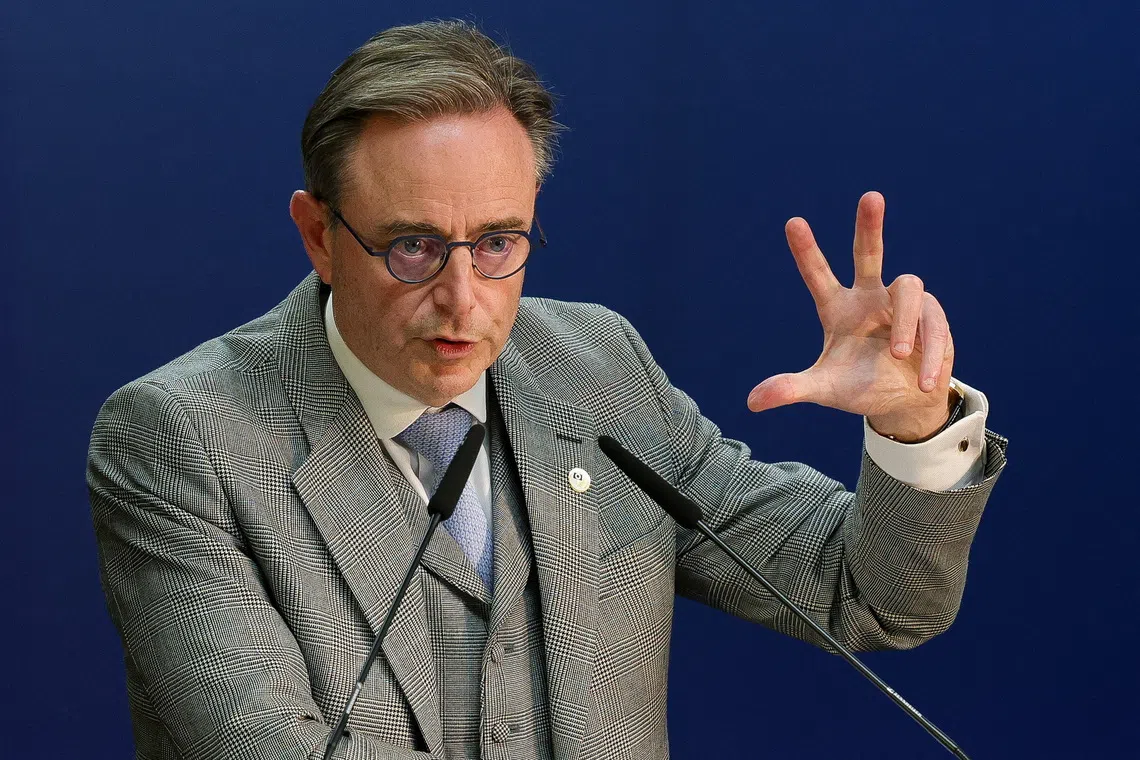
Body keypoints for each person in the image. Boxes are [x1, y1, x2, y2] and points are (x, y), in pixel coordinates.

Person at [87, 19, 1007, 760]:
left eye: (497, 243)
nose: (462, 299)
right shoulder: (182, 439)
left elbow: (873, 596)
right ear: (319, 235)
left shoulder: (597, 369)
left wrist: (911, 422)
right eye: (412, 246)